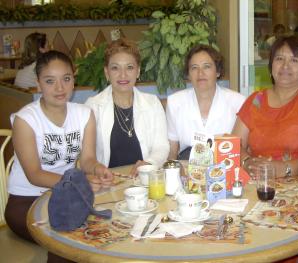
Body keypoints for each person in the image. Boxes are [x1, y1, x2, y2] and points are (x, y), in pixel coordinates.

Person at [5, 50, 114, 261]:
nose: (59, 88)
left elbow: (87, 159)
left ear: (74, 80)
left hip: (66, 197)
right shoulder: (25, 120)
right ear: (38, 84)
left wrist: (97, 168)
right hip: (26, 201)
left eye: (66, 79)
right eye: (50, 81)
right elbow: (34, 174)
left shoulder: (83, 114)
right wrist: (78, 184)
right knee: (66, 240)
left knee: (101, 233)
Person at [232, 36, 298, 178]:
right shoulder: (256, 100)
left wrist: (284, 169)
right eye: (279, 59)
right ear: (271, 66)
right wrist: (247, 162)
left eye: (294, 60)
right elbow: (234, 144)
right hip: (257, 183)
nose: (285, 66)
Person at [85, 39, 169, 175]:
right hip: (108, 182)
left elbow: (162, 146)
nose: (123, 74)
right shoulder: (93, 106)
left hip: (145, 179)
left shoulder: (152, 103)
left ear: (138, 71)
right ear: (107, 72)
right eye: (115, 68)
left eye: (129, 67)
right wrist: (98, 171)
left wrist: (149, 163)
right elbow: (87, 157)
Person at [166, 44, 245, 160]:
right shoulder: (174, 102)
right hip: (187, 166)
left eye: (206, 67)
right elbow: (172, 149)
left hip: (225, 166)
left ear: (217, 72)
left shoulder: (238, 102)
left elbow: (243, 148)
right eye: (194, 68)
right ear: (188, 74)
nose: (200, 73)